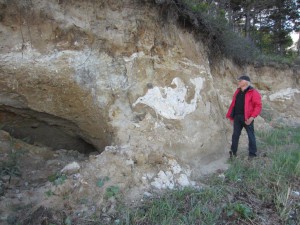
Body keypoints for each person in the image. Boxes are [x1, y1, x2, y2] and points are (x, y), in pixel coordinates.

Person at [226, 75, 262, 159]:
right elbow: (233, 105)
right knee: (235, 135)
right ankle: (233, 154)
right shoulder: (237, 91)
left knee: (250, 135)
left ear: (245, 82)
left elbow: (258, 106)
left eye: (240, 81)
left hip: (247, 118)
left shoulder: (253, 92)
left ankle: (252, 155)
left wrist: (252, 117)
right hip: (237, 117)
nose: (238, 82)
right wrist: (231, 117)